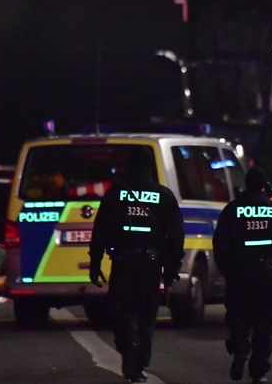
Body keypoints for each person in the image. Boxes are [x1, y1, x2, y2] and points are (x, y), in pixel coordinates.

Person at [88, 146, 185, 383]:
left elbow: (100, 230)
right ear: (150, 167)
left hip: (122, 263)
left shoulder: (115, 194)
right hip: (150, 266)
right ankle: (139, 360)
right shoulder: (164, 195)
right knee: (146, 316)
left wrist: (95, 262)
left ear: (128, 167)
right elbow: (176, 235)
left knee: (122, 312)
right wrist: (172, 267)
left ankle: (129, 345)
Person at [213, 166, 272, 383]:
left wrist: (228, 271)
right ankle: (259, 371)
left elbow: (220, 245)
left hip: (239, 275)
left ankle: (240, 350)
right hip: (267, 275)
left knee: (238, 317)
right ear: (263, 185)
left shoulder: (232, 210)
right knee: (264, 323)